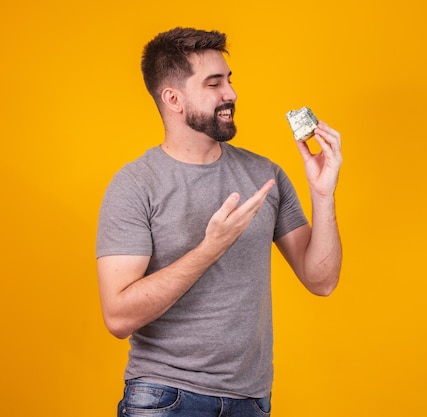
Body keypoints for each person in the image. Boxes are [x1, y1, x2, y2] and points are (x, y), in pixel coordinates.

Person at [96, 27, 342, 417]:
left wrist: (323, 195)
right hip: (165, 397)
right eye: (214, 84)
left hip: (252, 400)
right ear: (173, 99)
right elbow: (118, 316)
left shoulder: (266, 175)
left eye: (229, 80)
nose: (231, 94)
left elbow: (322, 280)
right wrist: (210, 248)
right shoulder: (135, 185)